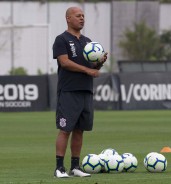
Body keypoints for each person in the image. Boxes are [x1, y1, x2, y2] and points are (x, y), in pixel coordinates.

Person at [52, 6, 107, 178]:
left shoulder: (87, 41)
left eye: (83, 16)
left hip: (85, 91)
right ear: (68, 18)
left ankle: (75, 166)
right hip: (69, 91)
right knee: (65, 129)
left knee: (80, 130)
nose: (82, 18)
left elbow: (92, 68)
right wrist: (87, 70)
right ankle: (59, 168)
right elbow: (65, 62)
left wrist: (99, 63)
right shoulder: (61, 39)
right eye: (78, 16)